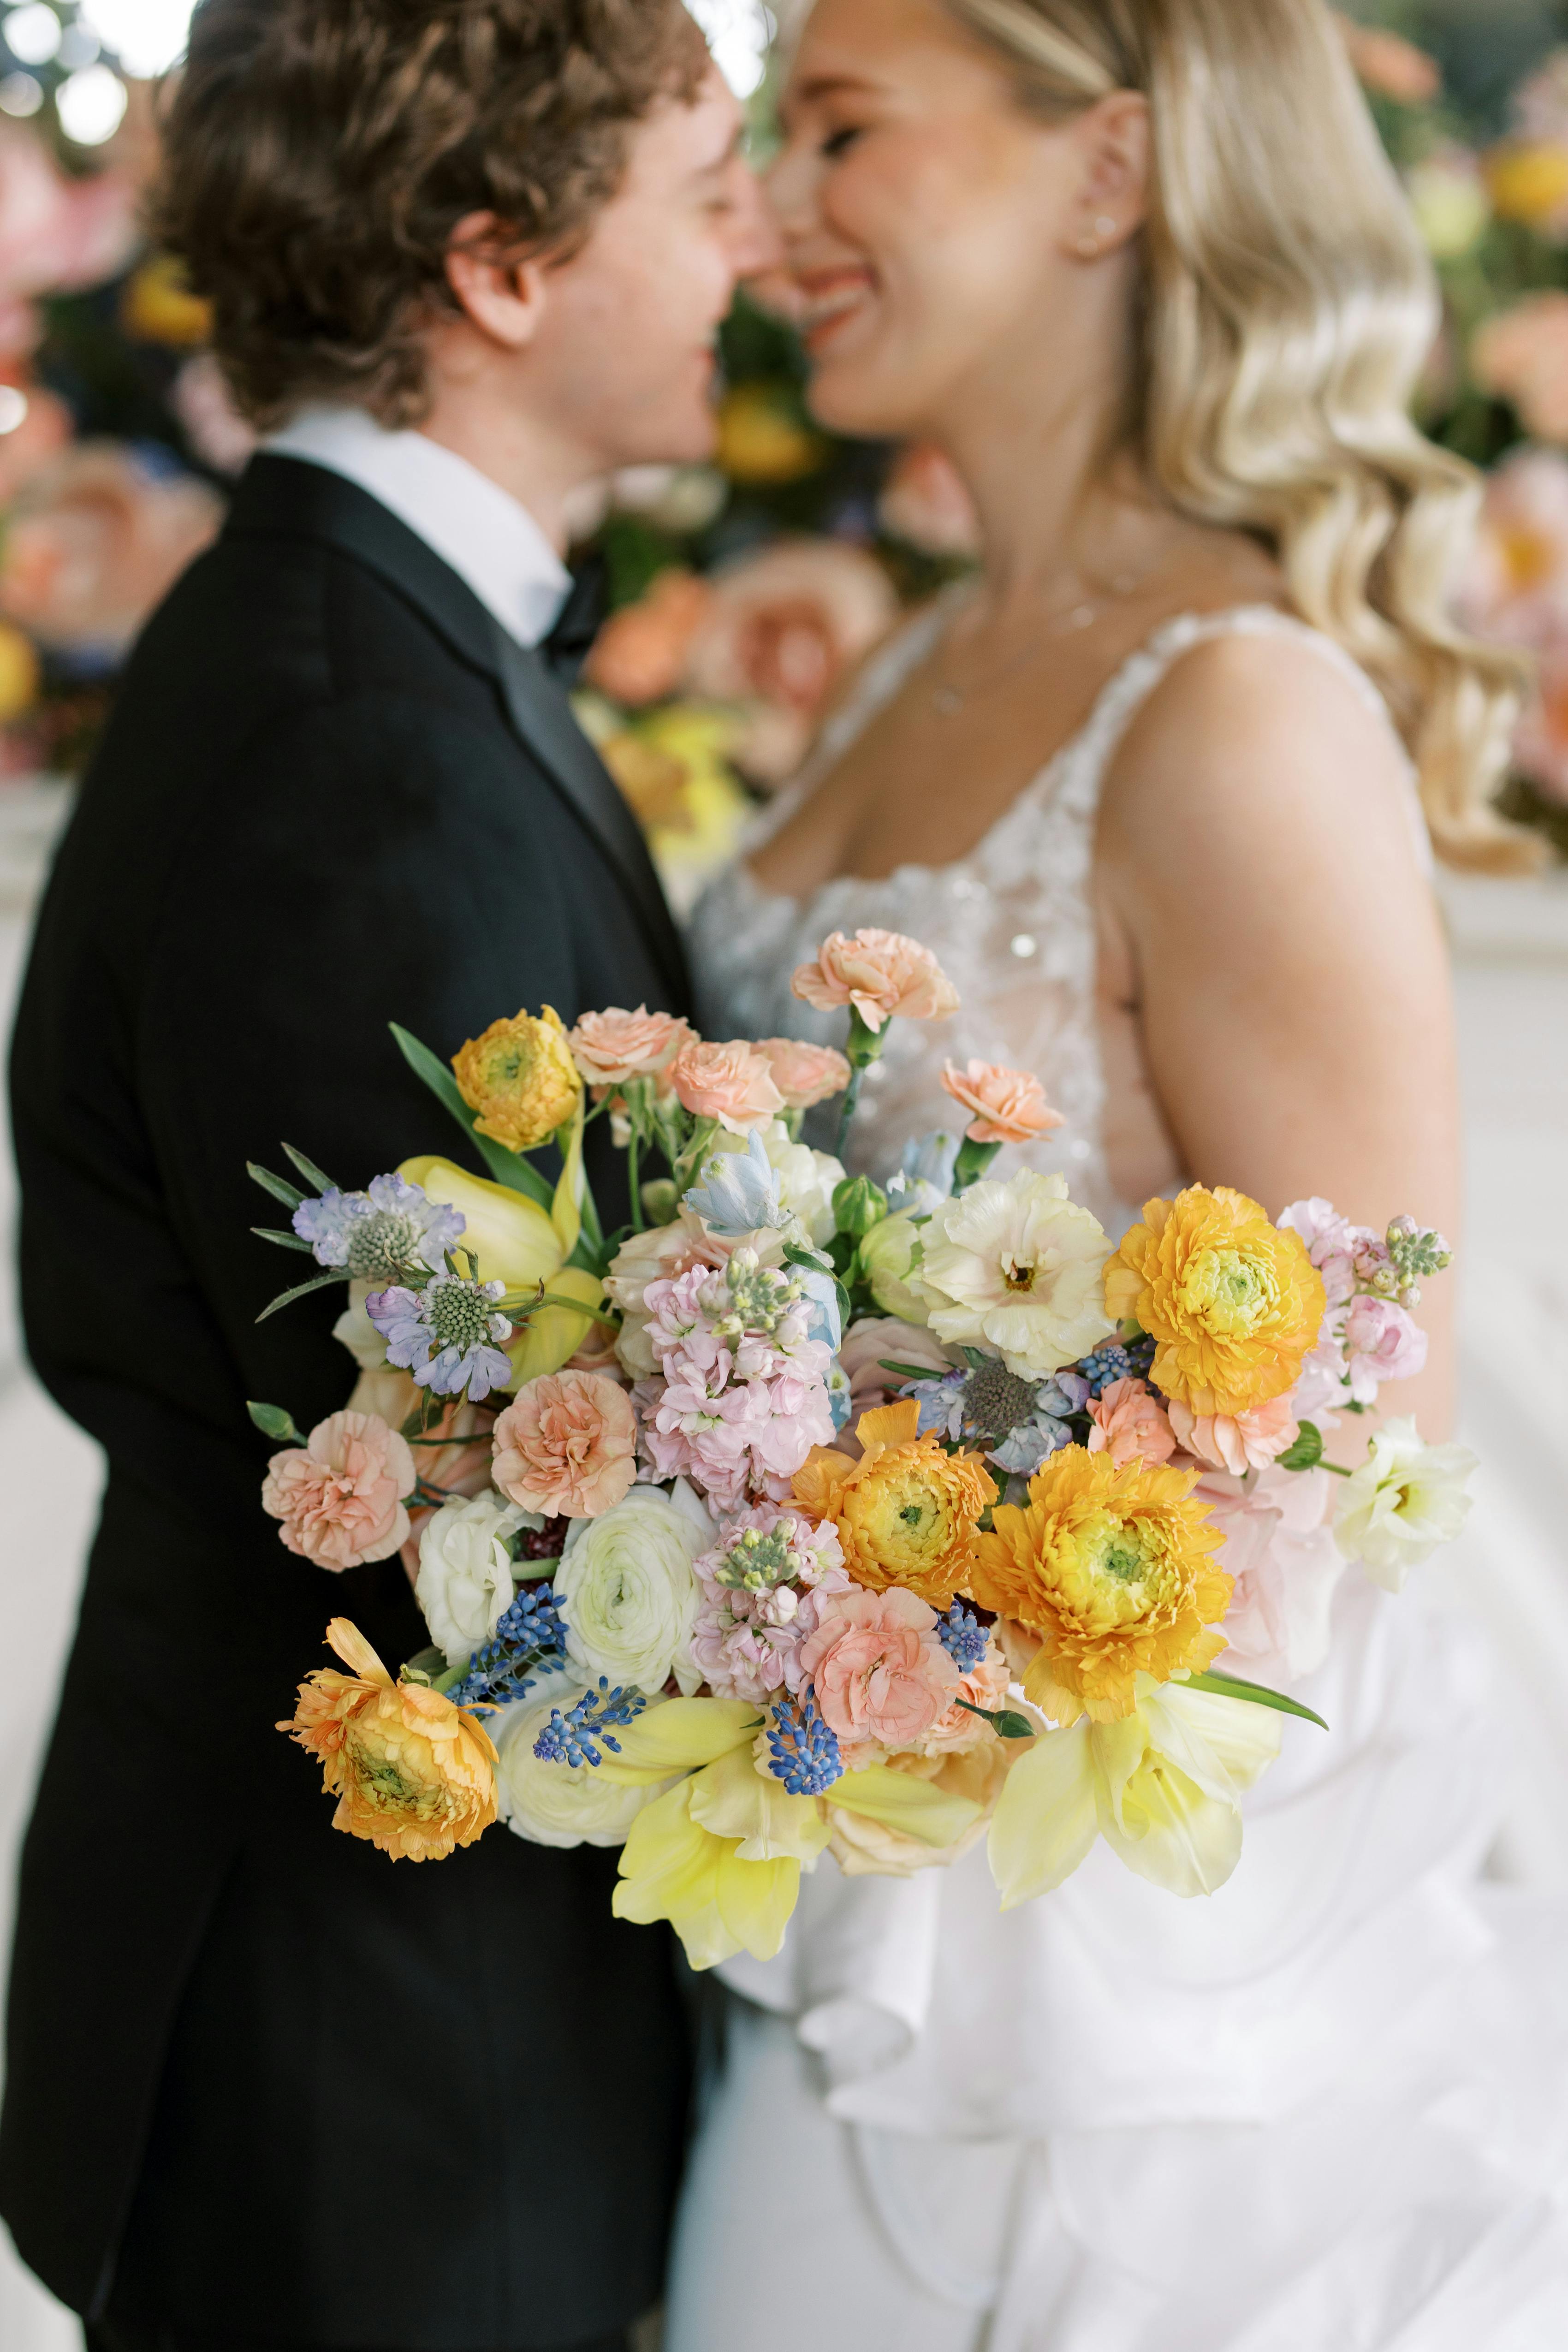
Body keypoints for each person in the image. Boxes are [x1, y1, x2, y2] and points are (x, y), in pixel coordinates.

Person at [672, 0, 1568, 2345]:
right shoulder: (917, 661)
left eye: (841, 129)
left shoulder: (1237, 712)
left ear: (1107, 169)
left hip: (1089, 1994)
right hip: (802, 1843)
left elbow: (1358, 1459)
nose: (771, 212)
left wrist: (927, 1619)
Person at [0, 3, 777, 2347]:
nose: (757, 244)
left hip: (374, 2014)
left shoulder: (367, 644)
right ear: (500, 265)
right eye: (707, 187)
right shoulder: (364, 736)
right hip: (378, 2059)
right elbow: (466, 1487)